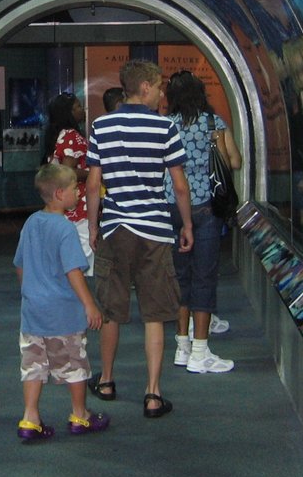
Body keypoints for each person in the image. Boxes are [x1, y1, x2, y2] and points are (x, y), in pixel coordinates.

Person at [86, 60, 192, 419]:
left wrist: (93, 227)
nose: (162, 94)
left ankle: (106, 381)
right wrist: (186, 225)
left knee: (111, 310)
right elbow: (179, 185)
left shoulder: (101, 126)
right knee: (155, 313)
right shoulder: (165, 127)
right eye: (159, 86)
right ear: (144, 87)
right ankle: (153, 394)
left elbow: (93, 184)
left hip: (116, 228)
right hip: (155, 230)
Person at [14, 164, 109, 441]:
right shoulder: (65, 229)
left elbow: (19, 264)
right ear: (59, 194)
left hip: (33, 311)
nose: (78, 193)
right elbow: (73, 271)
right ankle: (80, 414)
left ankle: (30, 417)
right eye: (73, 189)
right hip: (63, 312)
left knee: (33, 365)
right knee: (74, 362)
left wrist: (30, 291)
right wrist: (89, 304)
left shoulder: (31, 223)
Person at [163, 71, 242, 373]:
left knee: (180, 276)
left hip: (171, 206)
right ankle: (200, 350)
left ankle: (181, 345)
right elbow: (233, 161)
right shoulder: (213, 124)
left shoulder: (165, 126)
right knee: (204, 277)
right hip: (205, 207)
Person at [44, 92, 92, 276]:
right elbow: (68, 171)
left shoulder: (58, 134)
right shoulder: (71, 136)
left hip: (63, 203)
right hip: (78, 204)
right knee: (84, 251)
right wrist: (94, 173)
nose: (82, 109)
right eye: (78, 106)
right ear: (69, 112)